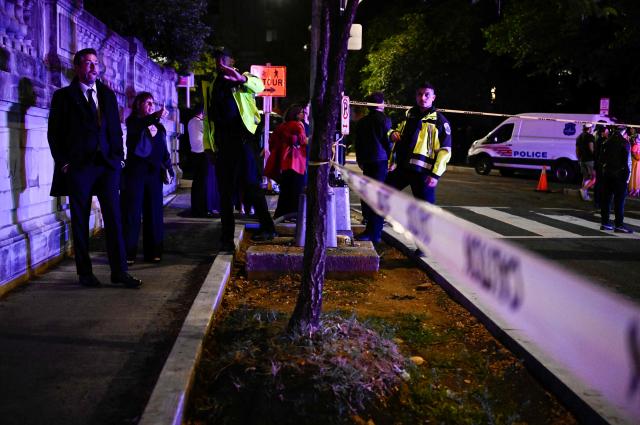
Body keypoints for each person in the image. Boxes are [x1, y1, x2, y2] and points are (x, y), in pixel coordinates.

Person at [47, 48, 142, 288]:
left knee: (114, 218)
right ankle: (85, 273)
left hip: (107, 166)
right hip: (79, 167)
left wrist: (119, 159)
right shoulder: (63, 97)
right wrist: (64, 163)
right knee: (80, 221)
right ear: (77, 67)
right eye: (88, 63)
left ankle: (119, 272)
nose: (93, 67)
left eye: (95, 63)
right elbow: (54, 134)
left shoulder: (108, 95)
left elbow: (114, 130)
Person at [206, 47, 276, 251]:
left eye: (223, 59)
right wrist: (209, 146)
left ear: (231, 61)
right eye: (216, 60)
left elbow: (259, 85)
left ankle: (268, 227)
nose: (219, 63)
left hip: (244, 140)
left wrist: (240, 79)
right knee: (225, 192)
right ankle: (226, 238)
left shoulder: (244, 78)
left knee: (251, 185)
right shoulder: (212, 84)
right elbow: (208, 118)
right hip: (223, 143)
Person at [120, 92, 174, 264]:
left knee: (154, 213)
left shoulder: (160, 127)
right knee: (132, 213)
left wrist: (169, 168)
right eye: (147, 103)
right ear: (138, 105)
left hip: (154, 174)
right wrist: (154, 117)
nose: (151, 106)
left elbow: (164, 149)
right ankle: (129, 253)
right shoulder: (134, 122)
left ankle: (154, 252)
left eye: (153, 103)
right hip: (136, 173)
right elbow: (137, 129)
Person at [385, 82, 452, 205]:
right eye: (420, 94)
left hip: (423, 173)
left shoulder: (440, 122)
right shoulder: (409, 115)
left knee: (425, 211)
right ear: (416, 96)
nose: (422, 98)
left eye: (427, 95)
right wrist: (392, 133)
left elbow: (445, 151)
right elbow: (393, 130)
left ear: (433, 98)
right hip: (402, 168)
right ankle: (375, 223)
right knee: (382, 196)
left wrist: (435, 175)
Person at [354, 92, 392, 243]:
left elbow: (358, 143)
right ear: (382, 103)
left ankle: (371, 227)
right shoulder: (385, 120)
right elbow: (388, 141)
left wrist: (360, 160)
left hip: (367, 162)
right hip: (381, 161)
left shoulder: (362, 122)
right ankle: (374, 231)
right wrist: (392, 158)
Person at [264, 104, 308, 219]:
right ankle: (294, 215)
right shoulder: (298, 125)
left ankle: (281, 214)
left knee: (285, 191)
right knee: (297, 190)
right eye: (301, 112)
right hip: (296, 162)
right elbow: (302, 140)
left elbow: (272, 141)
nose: (304, 114)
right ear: (296, 114)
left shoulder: (281, 126)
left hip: (284, 163)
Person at [599, 126, 633, 233]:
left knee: (606, 200)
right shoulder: (625, 143)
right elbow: (626, 162)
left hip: (606, 174)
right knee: (619, 201)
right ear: (623, 133)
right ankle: (619, 225)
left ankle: (605, 223)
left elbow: (601, 159)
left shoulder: (606, 143)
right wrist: (627, 177)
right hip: (619, 176)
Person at [188, 104, 220, 217]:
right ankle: (203, 208)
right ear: (202, 113)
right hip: (202, 154)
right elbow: (211, 133)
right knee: (203, 183)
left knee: (196, 182)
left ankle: (196, 207)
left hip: (194, 154)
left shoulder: (191, 122)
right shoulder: (200, 123)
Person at [576, 123, 596, 201]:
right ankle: (583, 189)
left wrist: (579, 159)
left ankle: (584, 196)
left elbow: (577, 150)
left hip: (582, 160)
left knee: (585, 177)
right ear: (590, 128)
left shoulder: (579, 137)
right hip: (590, 160)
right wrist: (595, 156)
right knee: (594, 178)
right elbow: (591, 148)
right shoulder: (590, 137)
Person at [628, 129, 640, 197]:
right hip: (635, 162)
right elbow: (633, 153)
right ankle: (634, 189)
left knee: (636, 176)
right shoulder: (635, 145)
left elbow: (633, 153)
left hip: (636, 162)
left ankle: (635, 189)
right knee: (635, 175)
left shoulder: (635, 145)